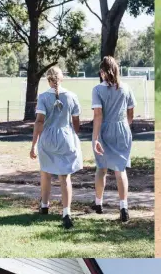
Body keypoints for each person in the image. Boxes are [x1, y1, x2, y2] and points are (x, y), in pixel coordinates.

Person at [30, 66, 83, 230]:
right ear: (61, 78)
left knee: (45, 173)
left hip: (47, 138)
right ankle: (66, 212)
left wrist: (33, 145)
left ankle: (44, 205)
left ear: (48, 80)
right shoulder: (72, 96)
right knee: (64, 177)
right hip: (66, 138)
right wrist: (72, 133)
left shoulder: (44, 97)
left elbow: (39, 121)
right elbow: (76, 122)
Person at [91, 56, 136, 223]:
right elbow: (130, 113)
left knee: (101, 168)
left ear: (102, 72)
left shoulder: (97, 90)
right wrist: (124, 126)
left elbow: (98, 115)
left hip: (104, 130)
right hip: (123, 129)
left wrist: (96, 138)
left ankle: (98, 203)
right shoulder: (126, 88)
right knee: (120, 170)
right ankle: (124, 207)